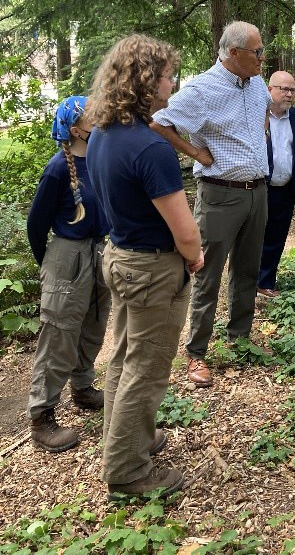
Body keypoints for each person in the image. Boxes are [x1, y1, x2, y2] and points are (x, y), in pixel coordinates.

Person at [86, 34, 203, 500]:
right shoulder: (149, 147)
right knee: (148, 369)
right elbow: (186, 229)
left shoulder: (102, 134)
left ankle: (126, 440)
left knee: (124, 357)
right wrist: (193, 255)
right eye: (168, 74)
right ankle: (127, 472)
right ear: (146, 80)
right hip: (153, 269)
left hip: (120, 257)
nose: (173, 81)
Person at [151, 20, 272, 388]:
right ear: (233, 53)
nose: (262, 58)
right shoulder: (202, 89)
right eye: (257, 52)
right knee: (207, 272)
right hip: (221, 194)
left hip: (258, 191)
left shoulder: (258, 84)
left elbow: (264, 111)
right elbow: (159, 122)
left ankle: (240, 336)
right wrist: (194, 152)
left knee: (248, 268)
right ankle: (196, 353)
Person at [26, 96, 111, 453]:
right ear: (75, 129)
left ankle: (83, 387)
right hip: (66, 253)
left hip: (100, 250)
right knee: (59, 333)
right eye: (94, 117)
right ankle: (41, 416)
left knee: (94, 323)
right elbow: (36, 224)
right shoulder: (58, 169)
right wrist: (51, 264)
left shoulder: (102, 159)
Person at [257, 71, 295, 299]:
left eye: (292, 90)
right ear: (270, 90)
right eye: (284, 89)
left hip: (285, 189)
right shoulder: (258, 116)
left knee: (276, 238)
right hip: (259, 188)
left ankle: (265, 282)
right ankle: (245, 282)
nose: (289, 94)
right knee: (254, 237)